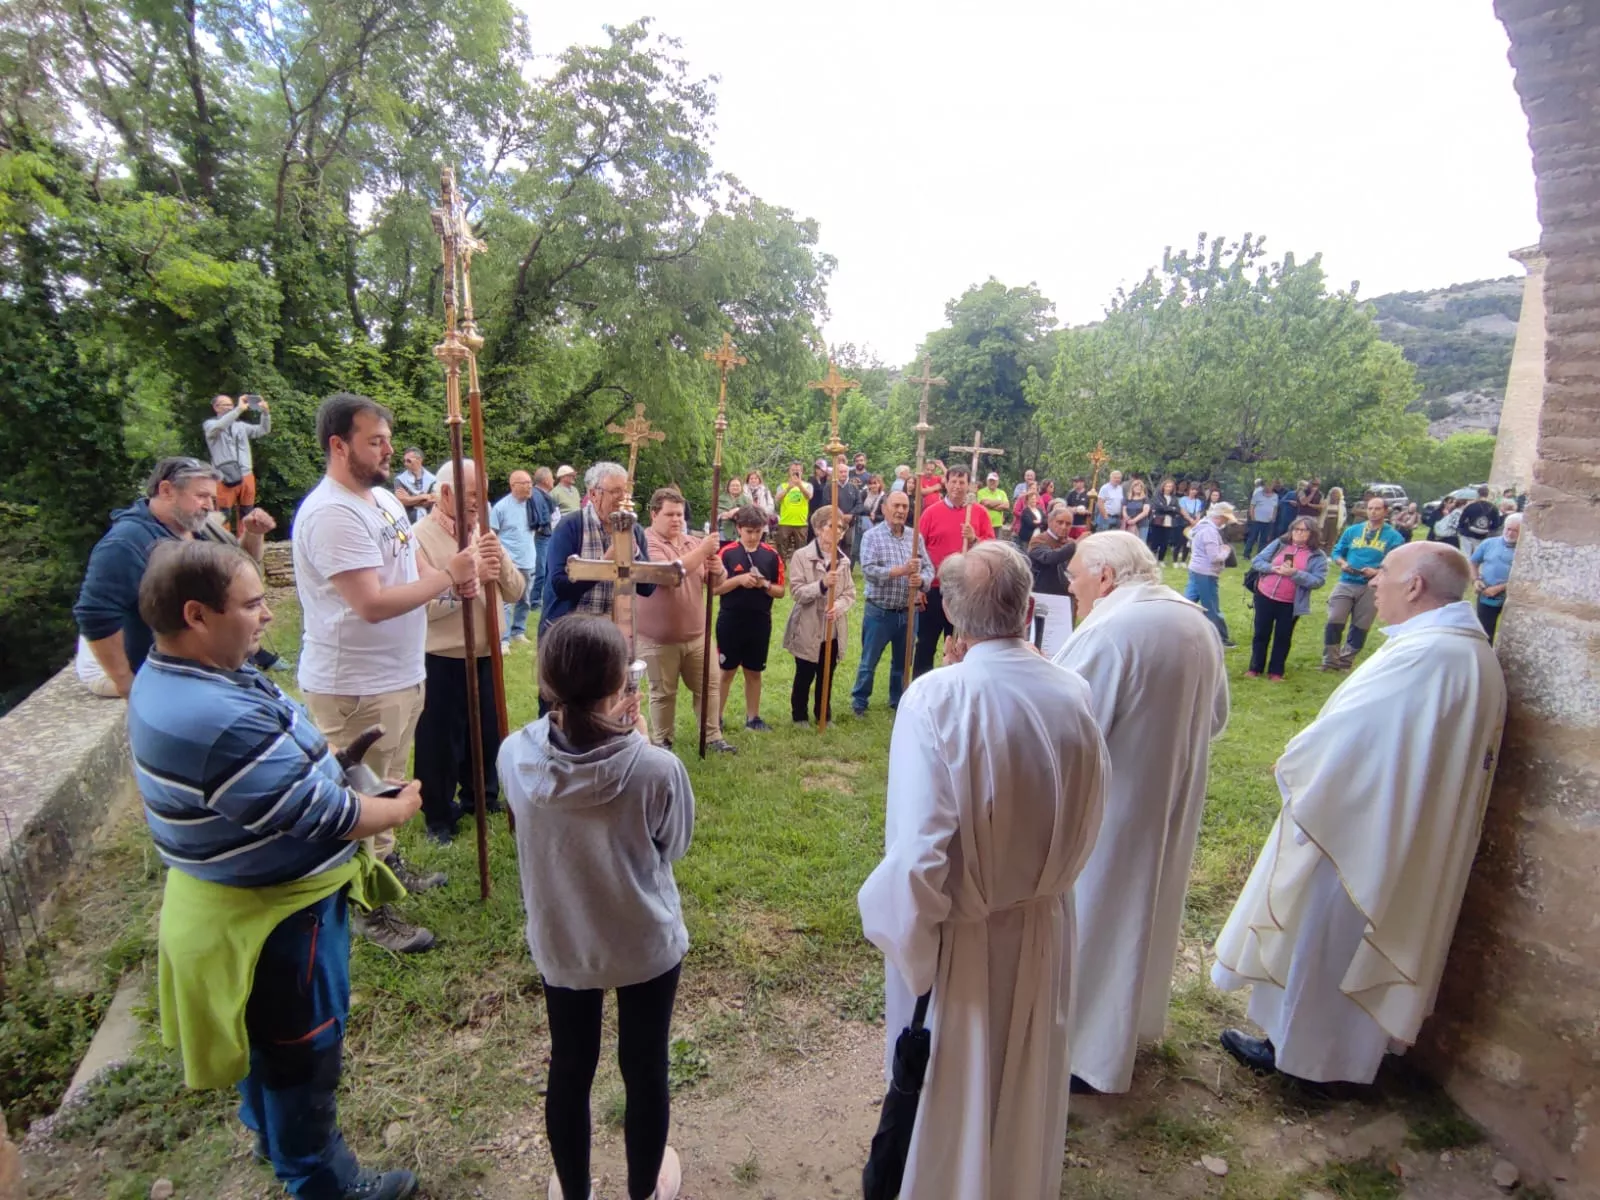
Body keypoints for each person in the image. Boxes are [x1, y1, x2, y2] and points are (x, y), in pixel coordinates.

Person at [129, 540, 422, 1200]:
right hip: (279, 920)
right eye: (254, 603)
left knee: (267, 1048)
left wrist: (334, 760)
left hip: (240, 899)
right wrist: (391, 809)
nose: (266, 616)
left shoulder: (181, 674)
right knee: (300, 1053)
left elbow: (267, 785)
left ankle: (275, 1141)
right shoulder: (212, 717)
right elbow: (323, 817)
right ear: (198, 615)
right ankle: (323, 1181)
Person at [858, 541, 1108, 1199]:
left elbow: (918, 857)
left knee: (957, 1092)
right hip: (1046, 920)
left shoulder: (937, 699)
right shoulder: (1073, 689)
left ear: (949, 614)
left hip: (965, 943)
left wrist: (911, 952)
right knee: (1022, 1082)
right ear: (1029, 609)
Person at [1212, 542, 1506, 1086]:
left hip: (1362, 828)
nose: (1375, 582)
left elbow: (1355, 733)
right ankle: (1334, 1054)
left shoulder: (1429, 655)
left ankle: (1307, 1059)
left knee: (1328, 935)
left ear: (1415, 586)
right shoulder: (1460, 651)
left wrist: (1300, 762)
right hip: (1397, 823)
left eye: (1386, 574)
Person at [499, 616, 692, 1200]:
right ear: (620, 689)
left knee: (570, 1066)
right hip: (644, 943)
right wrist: (638, 741)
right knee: (645, 1066)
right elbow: (673, 845)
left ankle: (575, 1190)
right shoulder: (655, 767)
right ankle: (643, 1190)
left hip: (564, 940)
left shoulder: (514, 754)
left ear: (546, 679)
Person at [293, 392, 476, 952]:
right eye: (376, 441)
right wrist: (450, 575)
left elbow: (412, 565)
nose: (388, 451)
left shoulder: (384, 501)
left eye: (389, 440)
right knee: (357, 797)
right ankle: (368, 910)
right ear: (338, 445)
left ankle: (389, 862)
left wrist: (448, 576)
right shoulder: (332, 514)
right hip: (354, 684)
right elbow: (371, 602)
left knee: (389, 776)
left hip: (398, 673)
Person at [1051, 531, 1228, 1095]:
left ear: (1105, 577)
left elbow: (1065, 731)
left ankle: (1080, 1053)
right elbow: (1218, 717)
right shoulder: (1195, 619)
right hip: (1168, 797)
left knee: (1096, 920)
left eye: (1075, 574)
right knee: (1139, 918)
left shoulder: (1111, 629)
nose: (1071, 586)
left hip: (1113, 807)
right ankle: (1121, 1034)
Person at [75, 457, 276, 696]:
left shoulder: (196, 529)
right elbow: (94, 615)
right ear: (167, 490)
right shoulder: (126, 542)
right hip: (168, 681)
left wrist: (253, 534)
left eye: (212, 498)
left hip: (207, 674)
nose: (210, 506)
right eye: (201, 496)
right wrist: (128, 685)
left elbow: (238, 573)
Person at [413, 459, 520, 845]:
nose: (480, 503)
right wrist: (468, 575)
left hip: (485, 650)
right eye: (473, 494)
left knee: (487, 731)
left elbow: (516, 591)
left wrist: (498, 561)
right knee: (441, 739)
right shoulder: (418, 538)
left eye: (483, 494)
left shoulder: (483, 532)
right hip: (442, 656)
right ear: (446, 494)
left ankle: (482, 797)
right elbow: (422, 605)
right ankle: (438, 816)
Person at [637, 488, 736, 755]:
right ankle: (662, 741)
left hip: (697, 635)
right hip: (658, 639)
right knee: (663, 692)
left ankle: (712, 736)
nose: (676, 520)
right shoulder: (646, 543)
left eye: (680, 514)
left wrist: (718, 570)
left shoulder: (692, 542)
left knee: (709, 686)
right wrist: (704, 551)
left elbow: (716, 583)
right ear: (654, 514)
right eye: (669, 514)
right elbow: (668, 575)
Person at [540, 462, 662, 634]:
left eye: (625, 491)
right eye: (615, 491)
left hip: (614, 635)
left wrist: (634, 554)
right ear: (593, 494)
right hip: (570, 633)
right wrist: (605, 562)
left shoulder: (634, 530)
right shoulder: (570, 527)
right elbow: (560, 586)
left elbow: (647, 588)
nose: (623, 498)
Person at [852, 490, 934, 716]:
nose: (900, 511)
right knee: (869, 660)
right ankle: (860, 701)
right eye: (896, 506)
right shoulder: (872, 537)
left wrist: (922, 580)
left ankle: (897, 700)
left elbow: (928, 567)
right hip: (880, 611)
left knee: (902, 661)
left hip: (909, 611)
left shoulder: (914, 537)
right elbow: (868, 570)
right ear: (884, 508)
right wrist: (900, 571)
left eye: (904, 507)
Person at [912, 465, 996, 676]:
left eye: (962, 482)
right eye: (953, 481)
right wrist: (920, 587)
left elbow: (992, 548)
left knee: (962, 643)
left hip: (966, 589)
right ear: (946, 483)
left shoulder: (979, 513)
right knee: (926, 642)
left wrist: (974, 539)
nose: (957, 487)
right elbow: (918, 550)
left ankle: (959, 684)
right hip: (935, 588)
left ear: (970, 486)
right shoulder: (931, 513)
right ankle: (921, 686)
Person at [714, 506, 786, 732]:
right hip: (731, 619)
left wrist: (763, 584)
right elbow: (715, 588)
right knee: (726, 670)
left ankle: (753, 718)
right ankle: (715, 717)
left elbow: (781, 591)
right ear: (738, 529)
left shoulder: (771, 555)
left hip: (760, 619)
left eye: (758, 531)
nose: (753, 536)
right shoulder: (726, 553)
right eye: (748, 531)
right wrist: (739, 580)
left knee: (754, 671)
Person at [784, 506, 855, 724]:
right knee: (805, 674)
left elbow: (849, 592)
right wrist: (822, 585)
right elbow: (797, 592)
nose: (838, 532)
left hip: (831, 629)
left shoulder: (843, 560)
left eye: (841, 528)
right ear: (818, 529)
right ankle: (799, 716)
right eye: (833, 526)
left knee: (827, 674)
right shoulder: (801, 557)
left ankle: (823, 714)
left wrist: (840, 606)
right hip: (807, 626)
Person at [1323, 497, 1406, 671]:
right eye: (1370, 508)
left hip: (1372, 585)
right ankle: (1330, 661)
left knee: (1361, 625)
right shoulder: (1353, 530)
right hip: (1346, 581)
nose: (1373, 512)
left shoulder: (1393, 537)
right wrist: (1342, 563)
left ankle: (1345, 661)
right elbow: (1338, 551)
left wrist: (1378, 572)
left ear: (1385, 511)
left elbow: (1398, 563)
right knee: (1334, 619)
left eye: (1377, 508)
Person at [1248, 518, 1330, 680]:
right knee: (1261, 633)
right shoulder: (1280, 544)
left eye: (1303, 530)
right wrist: (1273, 569)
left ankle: (1276, 672)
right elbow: (1257, 561)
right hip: (1265, 595)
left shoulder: (1317, 556)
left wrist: (1295, 574)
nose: (1298, 533)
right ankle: (1255, 668)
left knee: (1283, 637)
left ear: (1312, 533)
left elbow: (1318, 581)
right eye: (1296, 529)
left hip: (1290, 603)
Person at [203, 393, 272, 524]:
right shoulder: (210, 425)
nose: (230, 408)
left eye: (231, 405)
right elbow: (219, 426)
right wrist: (239, 409)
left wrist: (265, 413)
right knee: (223, 515)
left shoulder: (241, 426)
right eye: (225, 405)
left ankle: (245, 543)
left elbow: (263, 430)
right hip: (224, 476)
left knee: (247, 513)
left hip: (246, 474)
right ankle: (222, 543)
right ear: (216, 407)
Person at [490, 469, 539, 646]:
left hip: (528, 560)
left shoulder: (533, 505)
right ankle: (503, 639)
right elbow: (491, 534)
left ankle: (519, 631)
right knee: (505, 602)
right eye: (524, 483)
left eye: (530, 483)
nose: (529, 486)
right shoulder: (501, 508)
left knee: (525, 599)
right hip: (509, 562)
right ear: (513, 486)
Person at [1026, 502, 1076, 656]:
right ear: (1050, 521)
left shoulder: (1070, 544)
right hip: (1044, 599)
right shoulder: (1039, 540)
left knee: (1063, 642)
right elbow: (1050, 558)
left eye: (1068, 524)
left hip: (1066, 599)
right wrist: (1075, 545)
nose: (1064, 527)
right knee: (1040, 641)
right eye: (1060, 522)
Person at [1185, 501, 1238, 646]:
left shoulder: (1202, 525)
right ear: (1220, 517)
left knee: (1187, 603)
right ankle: (1221, 638)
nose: (1226, 522)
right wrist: (1226, 550)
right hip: (1206, 572)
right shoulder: (1210, 531)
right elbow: (1214, 557)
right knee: (1212, 607)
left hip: (1195, 569)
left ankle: (1174, 626)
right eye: (1226, 519)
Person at [1471, 513, 1521, 643]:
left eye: (1515, 531)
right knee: (1484, 633)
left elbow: (1527, 578)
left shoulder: (1524, 551)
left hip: (1513, 599)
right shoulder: (1489, 543)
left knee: (1512, 635)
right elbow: (1473, 562)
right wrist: (1476, 580)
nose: (1510, 533)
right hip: (1487, 595)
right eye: (1508, 529)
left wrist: (1500, 587)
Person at [527, 467, 557, 612]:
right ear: (545, 480)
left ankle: (539, 600)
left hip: (546, 536)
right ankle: (535, 601)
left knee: (545, 569)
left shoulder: (542, 495)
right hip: (541, 537)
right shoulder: (536, 495)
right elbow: (538, 518)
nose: (553, 481)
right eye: (552, 478)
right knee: (541, 570)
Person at [772, 461, 813, 564]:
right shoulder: (782, 485)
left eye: (798, 471)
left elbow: (809, 496)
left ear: (802, 472)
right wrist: (789, 488)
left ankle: (800, 568)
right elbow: (777, 498)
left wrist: (799, 485)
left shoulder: (807, 485)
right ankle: (781, 567)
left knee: (801, 548)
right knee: (781, 547)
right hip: (785, 522)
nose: (795, 472)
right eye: (793, 470)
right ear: (789, 472)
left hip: (801, 523)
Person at [393, 448, 437, 525]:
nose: (405, 464)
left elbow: (433, 500)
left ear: (419, 460)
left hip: (430, 520)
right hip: (408, 521)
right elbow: (402, 501)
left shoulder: (433, 479)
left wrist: (410, 499)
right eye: (404, 461)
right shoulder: (400, 480)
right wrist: (423, 496)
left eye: (408, 461)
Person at [1457, 486, 1503, 558]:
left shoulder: (1471, 506)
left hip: (1467, 533)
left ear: (1478, 494)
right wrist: (1488, 528)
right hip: (1482, 535)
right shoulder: (1493, 508)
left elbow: (1461, 521)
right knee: (1477, 557)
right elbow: (1496, 525)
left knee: (1465, 555)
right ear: (1487, 495)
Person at [1147, 477, 1183, 562]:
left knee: (1165, 542)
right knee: (1155, 541)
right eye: (1167, 486)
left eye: (1170, 486)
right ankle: (1152, 559)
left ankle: (1161, 560)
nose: (1169, 488)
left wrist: (1168, 509)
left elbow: (1177, 509)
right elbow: (1158, 507)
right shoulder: (1157, 497)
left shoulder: (1174, 498)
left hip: (1169, 522)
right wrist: (1171, 508)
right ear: (1163, 487)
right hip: (1158, 522)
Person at [1246, 479, 1280, 556]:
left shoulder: (1275, 496)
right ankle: (1246, 554)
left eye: (1270, 485)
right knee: (1252, 538)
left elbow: (1275, 507)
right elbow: (1252, 506)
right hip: (1257, 520)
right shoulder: (1257, 495)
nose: (1268, 487)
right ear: (1263, 486)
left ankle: (1260, 554)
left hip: (1268, 521)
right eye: (1266, 485)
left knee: (1264, 539)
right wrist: (1252, 517)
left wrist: (1274, 517)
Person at [976, 472, 1010, 539]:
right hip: (984, 524)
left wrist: (991, 505)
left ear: (998, 482)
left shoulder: (1002, 492)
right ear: (987, 481)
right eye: (990, 480)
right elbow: (986, 503)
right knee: (985, 545)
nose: (992, 482)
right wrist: (1000, 501)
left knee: (997, 546)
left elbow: (1007, 506)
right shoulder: (981, 492)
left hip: (998, 525)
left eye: (994, 481)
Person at [714, 475, 746, 546]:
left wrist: (738, 511)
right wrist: (726, 514)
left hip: (741, 533)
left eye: (737, 486)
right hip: (722, 533)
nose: (735, 487)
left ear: (741, 487)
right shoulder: (720, 499)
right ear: (728, 487)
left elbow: (750, 515)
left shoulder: (747, 500)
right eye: (733, 485)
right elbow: (716, 514)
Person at [1012, 480, 1046, 546]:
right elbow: (1015, 511)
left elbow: (1044, 513)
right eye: (1031, 488)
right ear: (1028, 489)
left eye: (1034, 488)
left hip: (1038, 532)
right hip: (1022, 528)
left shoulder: (1040, 499)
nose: (1032, 490)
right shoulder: (1022, 498)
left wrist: (1038, 521)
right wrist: (1026, 517)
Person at [1122, 478, 1152, 543]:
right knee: (1129, 543)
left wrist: (1134, 520)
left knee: (1141, 543)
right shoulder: (1127, 498)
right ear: (1132, 488)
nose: (1138, 488)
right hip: (1129, 524)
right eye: (1136, 486)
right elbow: (1124, 510)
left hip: (1142, 525)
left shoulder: (1145, 499)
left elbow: (1145, 512)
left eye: (1140, 487)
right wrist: (1127, 519)